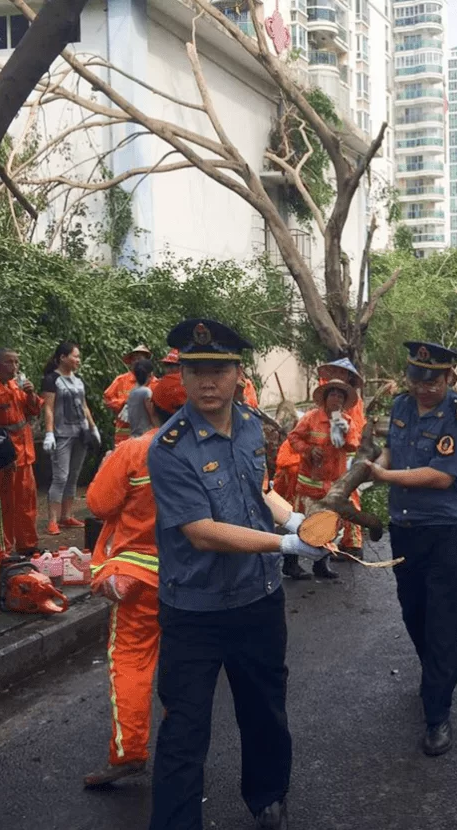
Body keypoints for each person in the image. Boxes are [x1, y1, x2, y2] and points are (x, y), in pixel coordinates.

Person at [146, 318, 330, 830]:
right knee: (184, 729)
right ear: (182, 376)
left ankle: (268, 797)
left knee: (265, 708)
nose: (207, 382)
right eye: (196, 371)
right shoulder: (169, 448)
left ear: (237, 373)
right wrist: (287, 544)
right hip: (194, 609)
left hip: (258, 600)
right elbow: (202, 532)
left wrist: (296, 521)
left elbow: (260, 491)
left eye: (219, 370)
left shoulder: (250, 425)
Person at [365, 341, 457, 757]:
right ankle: (436, 674)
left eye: (432, 380)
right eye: (416, 378)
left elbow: (441, 476)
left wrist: (383, 476)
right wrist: (373, 464)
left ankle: (437, 713)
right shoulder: (401, 405)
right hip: (406, 525)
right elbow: (391, 448)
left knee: (443, 616)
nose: (422, 387)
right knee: (413, 608)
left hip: (448, 527)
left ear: (448, 377)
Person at [83, 426, 161, 789]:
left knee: (131, 661)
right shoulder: (214, 443)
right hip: (195, 578)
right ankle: (183, 753)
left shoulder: (136, 450)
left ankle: (129, 752)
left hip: (138, 578)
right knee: (190, 666)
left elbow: (99, 504)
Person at [285, 359, 366, 581]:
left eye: (340, 396)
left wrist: (344, 432)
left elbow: (353, 446)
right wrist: (309, 450)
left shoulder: (346, 421)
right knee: (300, 524)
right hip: (309, 486)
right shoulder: (311, 418)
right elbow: (293, 438)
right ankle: (290, 563)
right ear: (326, 398)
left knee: (327, 524)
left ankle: (321, 564)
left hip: (333, 485)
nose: (336, 399)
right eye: (333, 395)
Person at [0, 348, 42, 562]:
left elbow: (34, 410)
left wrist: (31, 394)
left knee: (26, 502)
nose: (14, 367)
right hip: (3, 457)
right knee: (1, 505)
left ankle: (27, 544)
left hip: (25, 453)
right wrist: (2, 455)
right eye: (9, 362)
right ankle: (1, 550)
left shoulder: (15, 385)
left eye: (16, 362)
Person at [41, 341, 100, 536]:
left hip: (81, 433)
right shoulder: (52, 380)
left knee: (73, 475)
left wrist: (93, 427)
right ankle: (52, 520)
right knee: (61, 476)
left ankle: (66, 516)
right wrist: (49, 433)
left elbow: (84, 405)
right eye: (75, 356)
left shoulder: (78, 380)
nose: (78, 360)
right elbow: (48, 408)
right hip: (62, 434)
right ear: (62, 357)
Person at [104, 344, 152, 446]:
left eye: (139, 359)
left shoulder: (154, 383)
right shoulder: (121, 380)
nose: (136, 362)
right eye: (134, 359)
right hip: (123, 434)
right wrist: (123, 404)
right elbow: (107, 398)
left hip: (145, 434)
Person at [151, 348, 187, 421]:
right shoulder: (190, 381)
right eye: (166, 365)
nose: (167, 369)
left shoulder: (161, 384)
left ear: (181, 367)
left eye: (170, 366)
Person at [126, 358, 158, 438]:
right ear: (150, 375)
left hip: (134, 436)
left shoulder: (132, 392)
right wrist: (159, 430)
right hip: (146, 435)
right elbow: (152, 414)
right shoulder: (146, 392)